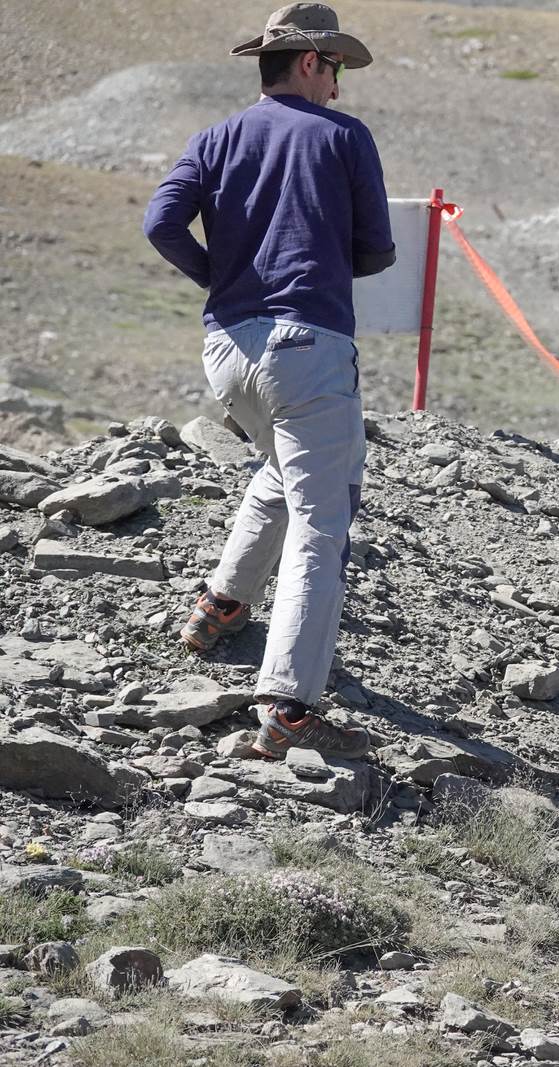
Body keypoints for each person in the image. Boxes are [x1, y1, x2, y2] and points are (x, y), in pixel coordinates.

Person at [142, 3, 394, 760]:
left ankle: (220, 608)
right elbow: (376, 251)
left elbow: (160, 222)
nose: (340, 88)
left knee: (282, 470)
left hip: (226, 347)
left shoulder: (215, 136)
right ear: (312, 62)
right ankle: (287, 703)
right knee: (324, 519)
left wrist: (220, 280)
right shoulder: (343, 137)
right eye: (335, 70)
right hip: (307, 344)